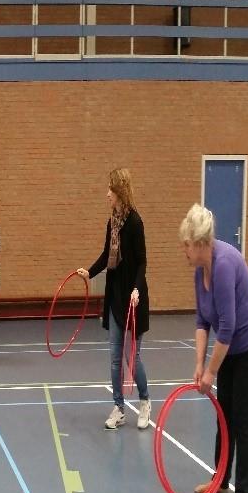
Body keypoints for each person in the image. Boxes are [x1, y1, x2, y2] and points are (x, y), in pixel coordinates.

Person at [179, 204, 248, 493]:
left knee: (244, 419)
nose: (184, 250)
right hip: (229, 346)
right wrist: (198, 365)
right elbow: (203, 321)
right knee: (224, 415)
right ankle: (220, 481)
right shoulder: (199, 272)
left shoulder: (225, 264)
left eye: (187, 245)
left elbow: (228, 327)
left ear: (202, 243)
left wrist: (211, 371)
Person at [78, 168, 151, 430]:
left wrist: (136, 289)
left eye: (111, 189)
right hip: (115, 298)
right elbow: (105, 255)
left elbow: (142, 262)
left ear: (120, 192)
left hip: (133, 299)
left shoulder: (135, 223)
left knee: (133, 358)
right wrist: (89, 271)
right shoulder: (112, 223)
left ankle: (144, 401)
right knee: (114, 357)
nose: (107, 194)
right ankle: (119, 407)